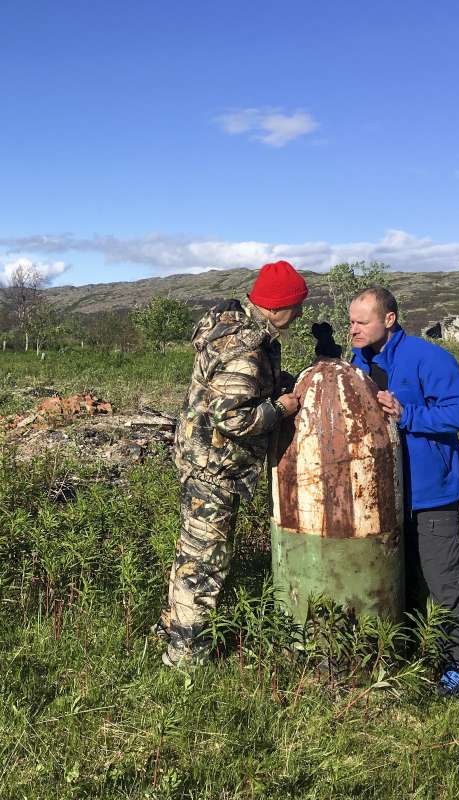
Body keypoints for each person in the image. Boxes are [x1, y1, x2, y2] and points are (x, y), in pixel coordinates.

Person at [155, 260, 307, 668]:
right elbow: (234, 416)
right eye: (296, 307)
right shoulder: (248, 348)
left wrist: (277, 382)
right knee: (205, 561)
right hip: (216, 466)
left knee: (192, 549)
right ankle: (186, 657)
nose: (299, 315)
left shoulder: (232, 329)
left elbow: (234, 388)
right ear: (278, 308)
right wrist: (280, 407)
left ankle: (172, 628)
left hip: (200, 455)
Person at [349, 286, 459, 697]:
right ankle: (408, 650)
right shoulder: (359, 360)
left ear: (388, 320)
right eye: (350, 321)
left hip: (431, 493)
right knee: (398, 576)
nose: (352, 329)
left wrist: (409, 415)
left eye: (361, 322)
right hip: (385, 491)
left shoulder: (428, 358)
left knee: (443, 580)